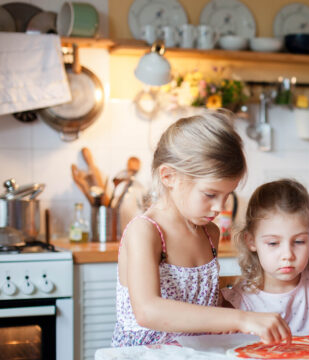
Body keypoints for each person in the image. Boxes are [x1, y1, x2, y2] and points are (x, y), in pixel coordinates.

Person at [112, 111, 291, 347]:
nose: (221, 206)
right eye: (210, 194)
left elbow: (208, 305)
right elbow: (148, 311)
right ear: (169, 176)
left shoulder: (209, 233)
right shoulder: (146, 232)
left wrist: (261, 310)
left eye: (228, 195)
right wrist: (242, 319)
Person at [222, 179, 309, 332]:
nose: (288, 255)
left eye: (299, 241)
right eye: (273, 243)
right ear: (251, 241)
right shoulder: (240, 302)